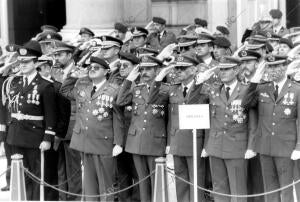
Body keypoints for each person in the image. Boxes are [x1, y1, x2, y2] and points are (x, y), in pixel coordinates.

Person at [60, 56, 124, 201]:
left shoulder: (114, 89)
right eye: (90, 68)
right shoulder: (83, 87)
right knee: (89, 185)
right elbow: (64, 91)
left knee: (105, 184)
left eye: (96, 68)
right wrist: (74, 76)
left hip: (103, 143)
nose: (92, 70)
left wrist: (119, 143)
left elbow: (118, 118)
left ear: (106, 71)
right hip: (85, 141)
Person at [148, 55, 207, 202]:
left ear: (193, 69)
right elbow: (152, 100)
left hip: (195, 141)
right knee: (181, 182)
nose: (178, 71)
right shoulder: (173, 89)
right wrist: (159, 78)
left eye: (183, 68)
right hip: (177, 141)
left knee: (196, 181)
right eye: (177, 68)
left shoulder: (204, 87)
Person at [3, 40, 56, 200]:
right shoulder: (14, 83)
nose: (22, 65)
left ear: (35, 62)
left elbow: (51, 116)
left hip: (34, 138)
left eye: (26, 62)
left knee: (35, 177)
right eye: (20, 62)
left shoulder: (45, 86)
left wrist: (48, 138)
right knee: (19, 177)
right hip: (15, 136)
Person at [243, 55, 300, 202]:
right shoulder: (262, 88)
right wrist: (255, 79)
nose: (273, 70)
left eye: (276, 66)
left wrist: (299, 147)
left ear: (285, 67)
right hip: (265, 147)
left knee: (286, 189)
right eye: (270, 66)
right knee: (270, 189)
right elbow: (245, 103)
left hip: (286, 148)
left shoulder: (296, 89)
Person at [199, 56, 252, 202]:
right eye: (221, 69)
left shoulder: (246, 90)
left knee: (238, 190)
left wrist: (250, 147)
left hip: (236, 146)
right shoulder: (214, 90)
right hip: (215, 145)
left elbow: (252, 121)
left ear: (236, 70)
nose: (222, 72)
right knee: (219, 190)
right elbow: (194, 101)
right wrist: (199, 81)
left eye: (226, 69)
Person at [116, 55, 167, 202]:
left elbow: (154, 101)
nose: (144, 72)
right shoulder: (136, 88)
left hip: (155, 140)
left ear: (157, 70)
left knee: (156, 181)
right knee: (142, 181)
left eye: (149, 69)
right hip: (136, 141)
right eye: (142, 69)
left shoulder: (165, 89)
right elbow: (120, 101)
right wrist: (129, 80)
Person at [52, 41, 82, 201]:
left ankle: (75, 198)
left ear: (70, 55)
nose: (57, 57)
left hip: (73, 125)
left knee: (74, 166)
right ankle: (63, 197)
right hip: (58, 126)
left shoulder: (79, 71)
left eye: (60, 54)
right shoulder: (54, 72)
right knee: (61, 166)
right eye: (55, 54)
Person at [115, 52, 140, 202]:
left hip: (135, 137)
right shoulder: (120, 84)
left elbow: (120, 101)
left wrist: (129, 81)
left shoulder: (137, 86)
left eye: (126, 66)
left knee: (137, 175)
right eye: (120, 65)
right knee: (123, 174)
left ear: (135, 68)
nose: (122, 68)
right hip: (121, 137)